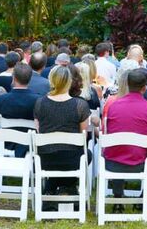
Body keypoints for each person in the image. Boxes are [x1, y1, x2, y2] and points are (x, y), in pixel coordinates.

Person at [104, 69, 147, 210]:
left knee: (117, 151)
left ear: (128, 85)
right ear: (145, 88)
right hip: (141, 163)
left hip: (113, 163)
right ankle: (143, 198)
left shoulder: (113, 107)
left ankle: (118, 198)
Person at [34, 65, 90, 198]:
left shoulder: (40, 103)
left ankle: (51, 187)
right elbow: (84, 137)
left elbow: (38, 130)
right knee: (88, 154)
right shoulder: (80, 105)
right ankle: (67, 187)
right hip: (72, 159)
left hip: (46, 159)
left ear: (51, 81)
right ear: (70, 82)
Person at [0, 63, 39, 157]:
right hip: (29, 144)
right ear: (30, 79)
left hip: (7, 142)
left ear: (13, 78)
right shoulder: (39, 101)